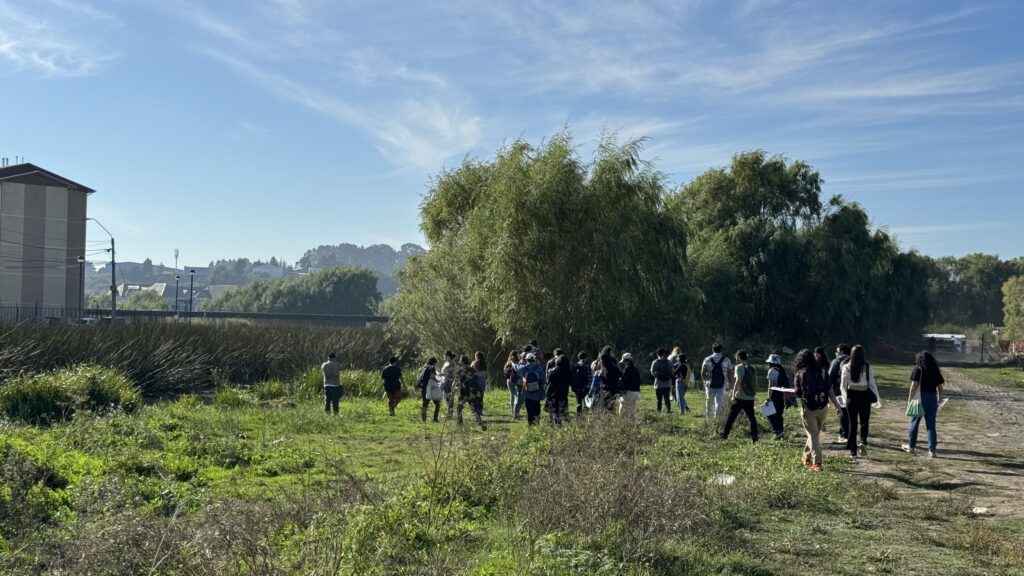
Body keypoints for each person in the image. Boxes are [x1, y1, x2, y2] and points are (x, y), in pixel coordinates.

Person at [793, 349, 842, 472]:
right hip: (823, 407)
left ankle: (817, 463)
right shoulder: (823, 372)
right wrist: (837, 406)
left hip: (808, 408)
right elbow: (830, 390)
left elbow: (798, 392)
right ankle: (806, 455)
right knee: (814, 434)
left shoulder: (799, 374)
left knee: (813, 435)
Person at [840, 345, 881, 463]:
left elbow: (843, 385)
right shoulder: (867, 366)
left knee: (852, 425)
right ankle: (862, 442)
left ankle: (853, 452)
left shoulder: (846, 367)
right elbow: (872, 383)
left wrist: (844, 399)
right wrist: (877, 398)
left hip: (852, 397)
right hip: (864, 396)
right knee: (864, 422)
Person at [902, 351, 946, 458]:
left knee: (914, 422)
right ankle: (932, 450)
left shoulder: (918, 369)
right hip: (932, 398)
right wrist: (940, 398)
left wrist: (909, 400)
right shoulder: (935, 370)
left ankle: (911, 447)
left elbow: (914, 386)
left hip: (920, 398)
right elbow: (940, 387)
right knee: (931, 425)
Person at [721, 350, 758, 443]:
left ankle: (725, 434)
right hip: (750, 397)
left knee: (731, 416)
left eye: (736, 357)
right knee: (752, 418)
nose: (736, 359)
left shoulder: (739, 367)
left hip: (740, 397)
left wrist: (733, 394)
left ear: (739, 357)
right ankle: (754, 437)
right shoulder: (752, 368)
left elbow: (738, 381)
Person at [701, 344, 733, 419]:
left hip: (710, 385)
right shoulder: (726, 360)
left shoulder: (707, 359)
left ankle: (709, 419)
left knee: (709, 402)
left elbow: (702, 373)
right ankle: (717, 419)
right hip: (722, 385)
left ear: (712, 350)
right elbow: (730, 374)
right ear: (721, 350)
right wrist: (731, 385)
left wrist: (705, 382)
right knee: (719, 403)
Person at [828, 344, 852, 443]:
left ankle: (843, 435)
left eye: (837, 351)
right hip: (853, 391)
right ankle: (850, 434)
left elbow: (829, 377)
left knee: (841, 412)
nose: (836, 353)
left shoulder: (836, 361)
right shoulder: (853, 360)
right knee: (850, 413)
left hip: (839, 391)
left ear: (842, 352)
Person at [516, 353, 547, 426]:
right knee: (536, 409)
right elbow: (543, 381)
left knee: (529, 410)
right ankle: (537, 424)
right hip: (537, 392)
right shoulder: (539, 368)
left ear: (526, 360)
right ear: (534, 360)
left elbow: (517, 369)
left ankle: (530, 425)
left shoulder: (523, 368)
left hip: (527, 392)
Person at [456, 355, 486, 429]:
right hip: (473, 392)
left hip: (464, 392)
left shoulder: (460, 371)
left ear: (462, 363)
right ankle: (479, 421)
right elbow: (476, 380)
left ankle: (460, 423)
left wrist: (455, 389)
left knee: (459, 407)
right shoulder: (472, 370)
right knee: (473, 408)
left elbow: (458, 382)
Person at [764, 354, 789, 440]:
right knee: (778, 414)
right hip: (782, 395)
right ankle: (780, 431)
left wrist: (768, 398)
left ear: (770, 363)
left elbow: (770, 386)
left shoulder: (771, 371)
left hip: (775, 395)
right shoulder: (781, 370)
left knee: (768, 413)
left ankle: (776, 431)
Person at [546, 354, 572, 425]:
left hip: (555, 393)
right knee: (563, 410)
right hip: (564, 393)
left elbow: (550, 380)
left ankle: (557, 424)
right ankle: (564, 424)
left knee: (555, 412)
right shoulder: (568, 371)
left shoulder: (555, 371)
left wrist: (550, 372)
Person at [416, 357, 442, 423]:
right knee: (437, 403)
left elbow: (418, 376)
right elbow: (432, 376)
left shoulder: (423, 367)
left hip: (423, 387)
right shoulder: (432, 367)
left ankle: (424, 417)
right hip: (430, 387)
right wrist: (437, 380)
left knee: (425, 402)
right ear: (434, 362)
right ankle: (435, 418)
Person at [650, 348, 674, 413]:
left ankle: (658, 410)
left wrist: (658, 376)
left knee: (659, 399)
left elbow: (652, 372)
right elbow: (672, 371)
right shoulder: (669, 362)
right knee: (667, 399)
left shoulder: (655, 362)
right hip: (667, 383)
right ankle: (668, 410)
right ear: (664, 354)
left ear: (657, 354)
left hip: (658, 384)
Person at [669, 347, 692, 415]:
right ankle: (684, 409)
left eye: (678, 359)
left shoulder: (681, 365)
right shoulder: (686, 365)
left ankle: (682, 411)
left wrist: (673, 367)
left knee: (680, 397)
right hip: (686, 382)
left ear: (680, 359)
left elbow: (674, 373)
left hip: (680, 382)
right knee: (681, 397)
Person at [599, 346, 622, 412]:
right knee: (610, 399)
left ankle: (608, 413)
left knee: (608, 399)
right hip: (611, 381)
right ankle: (610, 413)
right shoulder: (607, 359)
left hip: (609, 382)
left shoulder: (607, 359)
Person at [504, 351, 523, 420]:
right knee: (516, 396)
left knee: (511, 395)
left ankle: (512, 411)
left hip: (509, 380)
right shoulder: (518, 363)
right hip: (516, 380)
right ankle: (516, 412)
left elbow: (504, 371)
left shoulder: (508, 363)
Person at [441, 351, 457, 419]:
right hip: (446, 381)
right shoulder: (447, 363)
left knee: (449, 397)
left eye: (445, 356)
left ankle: (450, 414)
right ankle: (449, 413)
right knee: (447, 398)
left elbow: (451, 373)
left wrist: (443, 374)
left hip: (450, 382)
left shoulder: (452, 363)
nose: (444, 357)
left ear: (448, 356)